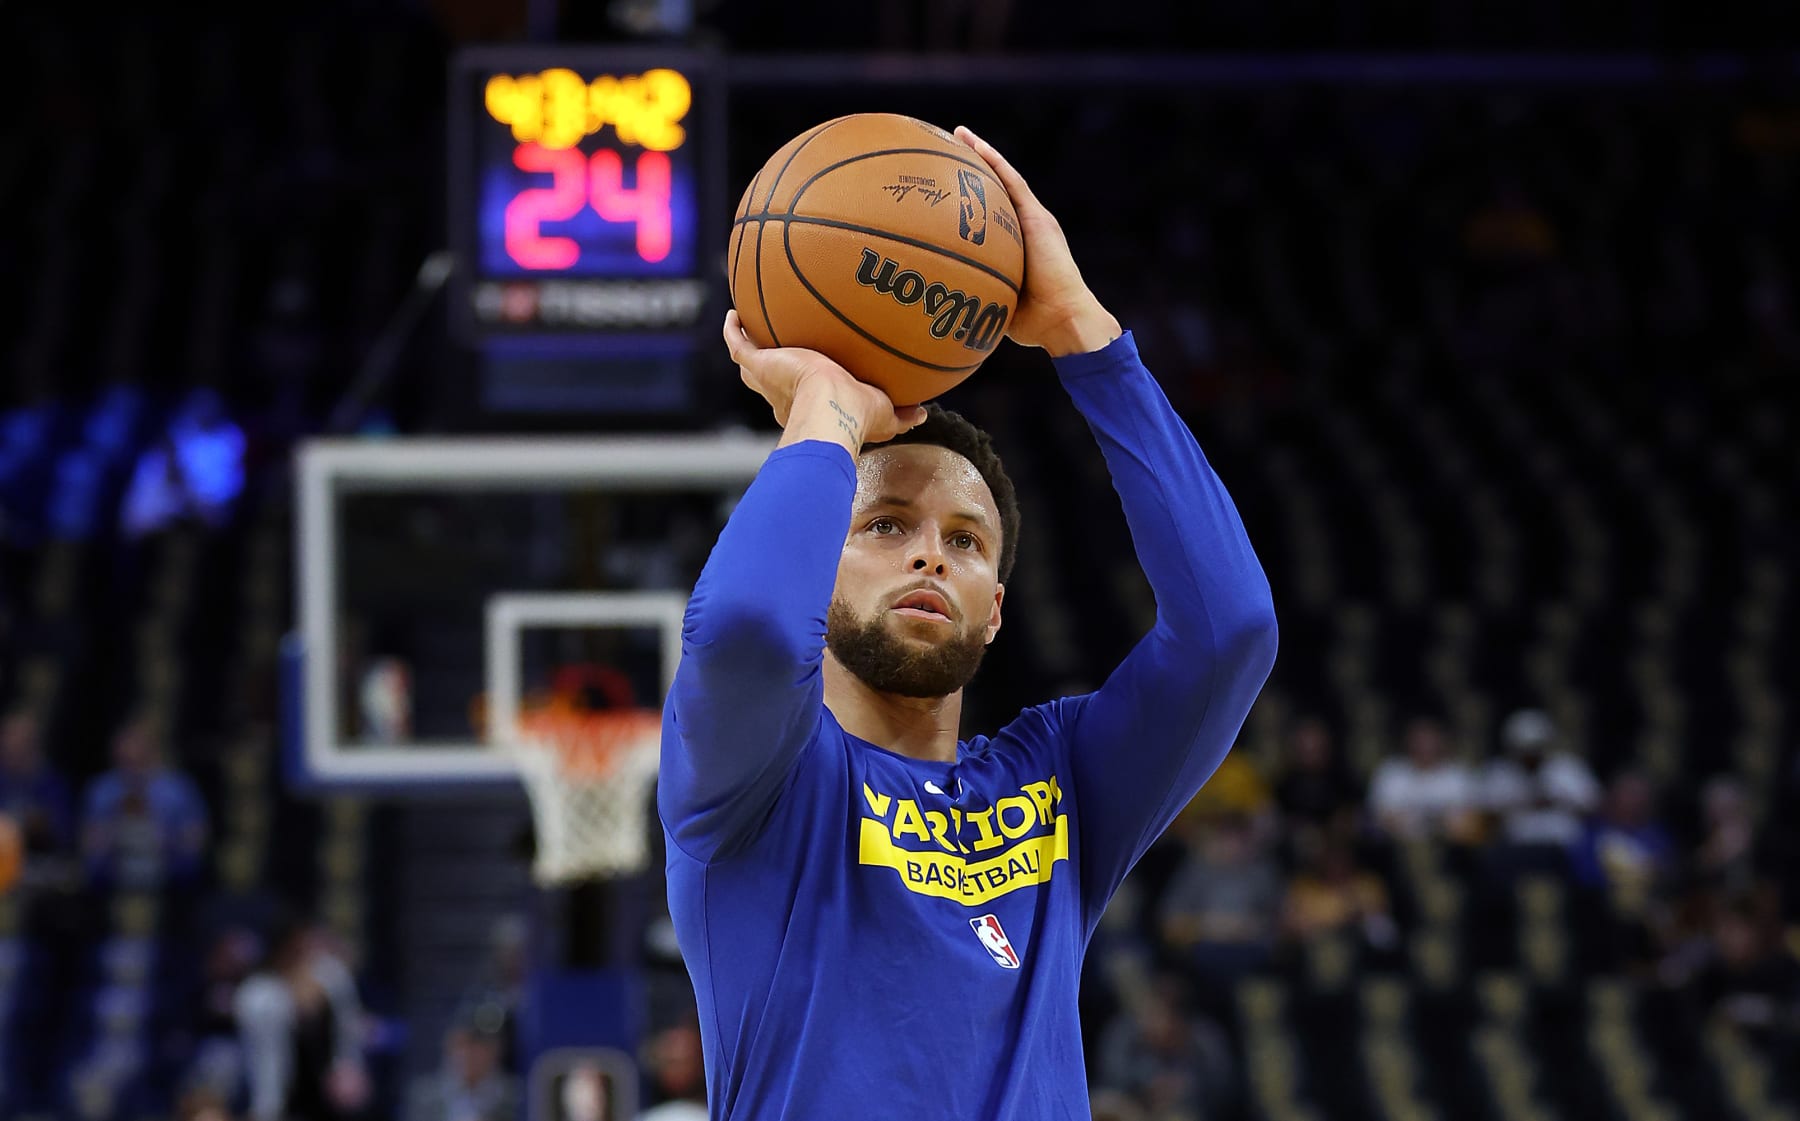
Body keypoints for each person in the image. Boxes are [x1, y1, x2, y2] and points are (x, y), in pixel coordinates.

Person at [660, 126, 1278, 1119]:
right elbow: (745, 631)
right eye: (886, 524)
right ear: (815, 566)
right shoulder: (758, 778)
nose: (931, 555)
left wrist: (1082, 331)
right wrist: (827, 413)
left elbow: (1230, 630)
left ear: (995, 611)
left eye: (966, 539)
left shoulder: (1057, 780)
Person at [234, 913, 372, 1121]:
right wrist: (266, 1109)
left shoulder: (332, 976)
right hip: (278, 1092)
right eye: (300, 946)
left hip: (328, 1092)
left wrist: (349, 1068)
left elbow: (348, 1030)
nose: (309, 951)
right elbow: (263, 1058)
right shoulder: (257, 993)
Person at [1367, 715, 1479, 843]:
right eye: (1419, 739)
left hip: (1450, 847)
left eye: (1430, 738)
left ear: (1442, 740)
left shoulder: (1459, 775)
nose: (1425, 745)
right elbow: (1378, 817)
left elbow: (1471, 821)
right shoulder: (1391, 771)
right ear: (1408, 740)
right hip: (1396, 846)